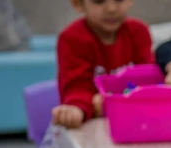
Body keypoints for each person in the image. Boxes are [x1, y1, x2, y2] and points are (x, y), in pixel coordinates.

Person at [53, 0, 154, 128]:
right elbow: (77, 86)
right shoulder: (72, 39)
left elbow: (149, 80)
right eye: (98, 1)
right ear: (78, 4)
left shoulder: (139, 32)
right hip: (92, 125)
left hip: (136, 121)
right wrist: (77, 109)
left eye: (119, 0)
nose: (111, 9)